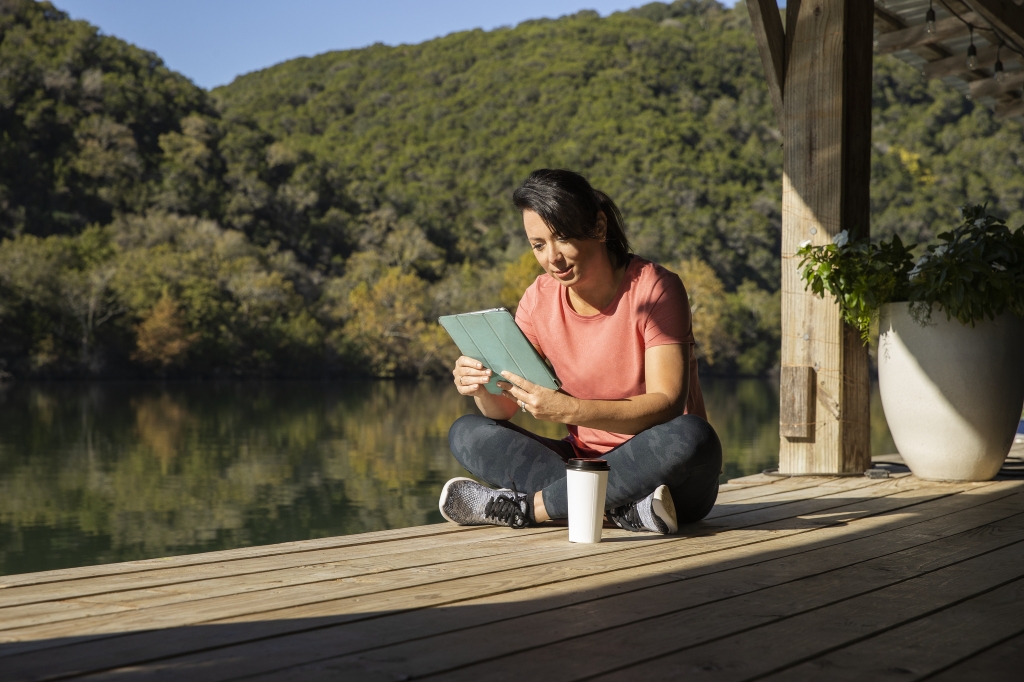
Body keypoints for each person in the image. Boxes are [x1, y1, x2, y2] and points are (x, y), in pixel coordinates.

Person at [439, 169, 722, 534]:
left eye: (563, 237)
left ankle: (530, 508)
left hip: (664, 476)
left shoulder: (656, 289)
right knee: (468, 430)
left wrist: (568, 409)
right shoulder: (538, 300)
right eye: (538, 245)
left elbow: (667, 403)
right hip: (583, 464)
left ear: (599, 228)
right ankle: (622, 511)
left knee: (691, 436)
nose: (552, 257)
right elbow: (504, 408)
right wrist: (481, 386)